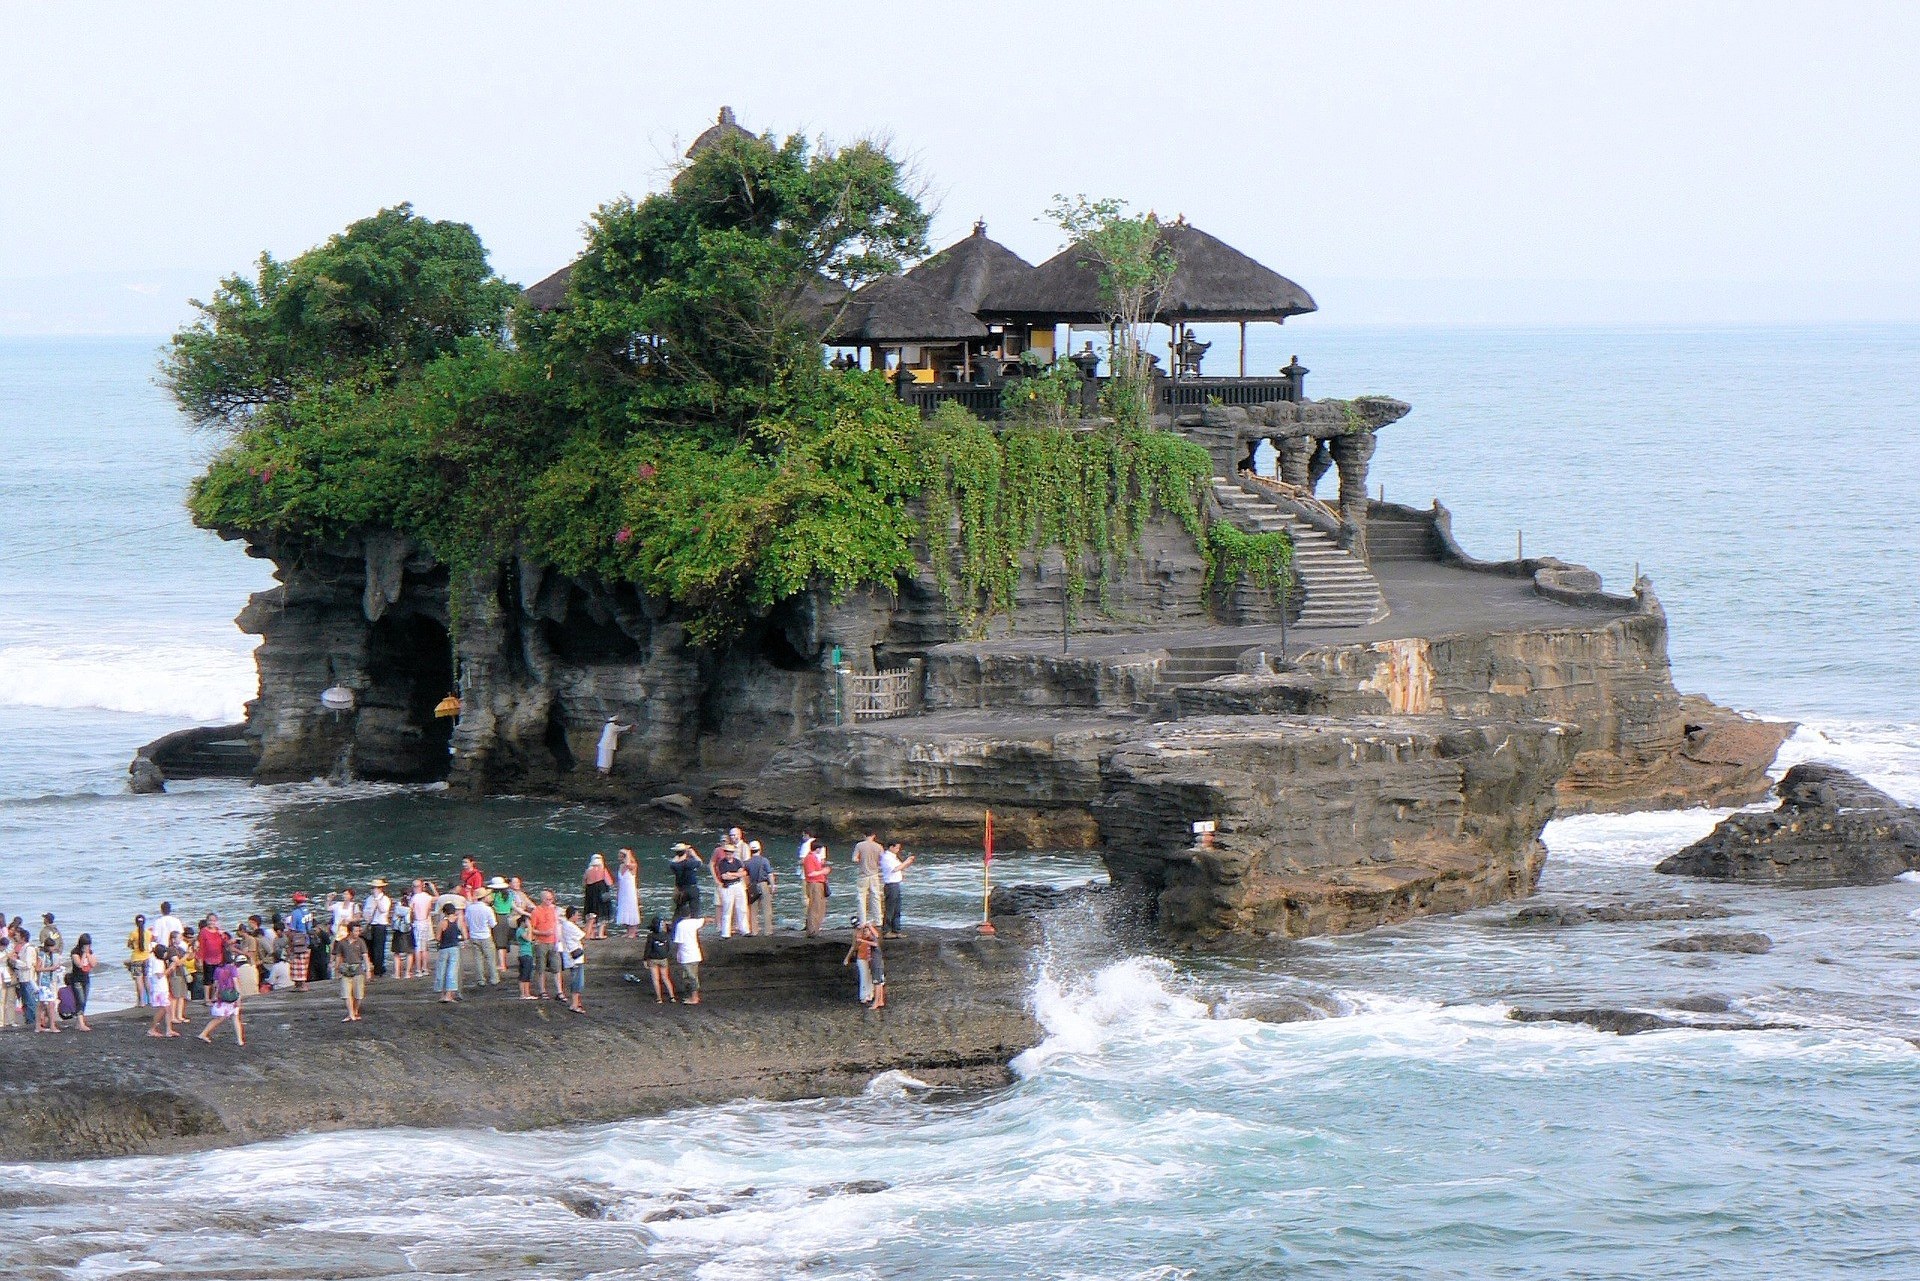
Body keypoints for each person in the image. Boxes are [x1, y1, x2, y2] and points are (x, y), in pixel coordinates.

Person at [199, 957, 245, 1045]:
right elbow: (236, 983)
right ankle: (239, 1040)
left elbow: (216, 984)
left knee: (220, 1018)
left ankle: (204, 1033)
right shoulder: (233, 969)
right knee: (234, 1018)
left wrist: (214, 996)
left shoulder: (218, 970)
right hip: (231, 995)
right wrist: (239, 997)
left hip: (222, 996)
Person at [844, 921, 886, 1009]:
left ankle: (876, 1001)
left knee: (877, 982)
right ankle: (874, 999)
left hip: (874, 962)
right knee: (874, 980)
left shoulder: (872, 938)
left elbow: (875, 940)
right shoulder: (861, 936)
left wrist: (868, 928)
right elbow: (854, 946)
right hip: (869, 961)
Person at [334, 919, 370, 1021]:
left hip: (358, 970)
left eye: (358, 931)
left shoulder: (361, 942)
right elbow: (338, 957)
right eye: (355, 931)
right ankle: (351, 1014)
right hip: (346, 970)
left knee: (359, 996)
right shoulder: (342, 943)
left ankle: (355, 1011)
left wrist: (368, 970)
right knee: (346, 994)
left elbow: (365, 956)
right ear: (350, 931)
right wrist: (336, 969)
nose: (357, 933)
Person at [527, 890, 561, 998]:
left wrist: (558, 939)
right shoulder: (536, 911)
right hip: (541, 942)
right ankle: (542, 990)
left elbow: (557, 925)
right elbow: (531, 929)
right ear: (542, 899)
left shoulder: (554, 910)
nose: (550, 901)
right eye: (548, 899)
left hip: (553, 941)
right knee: (540, 967)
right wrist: (543, 933)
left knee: (556, 967)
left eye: (551, 899)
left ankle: (559, 991)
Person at [880, 843, 916, 938]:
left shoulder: (893, 857)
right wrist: (906, 861)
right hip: (891, 884)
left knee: (897, 908)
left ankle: (896, 929)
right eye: (897, 848)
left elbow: (901, 867)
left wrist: (908, 862)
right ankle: (887, 931)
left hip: (896, 883)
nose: (898, 849)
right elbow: (895, 869)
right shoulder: (887, 857)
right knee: (890, 909)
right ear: (891, 847)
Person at [714, 843, 749, 938]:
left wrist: (732, 874)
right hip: (728, 887)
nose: (728, 855)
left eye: (730, 853)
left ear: (733, 853)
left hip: (738, 885)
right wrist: (736, 874)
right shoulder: (722, 863)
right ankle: (725, 933)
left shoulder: (737, 861)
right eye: (727, 853)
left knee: (742, 908)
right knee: (727, 910)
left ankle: (744, 930)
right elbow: (724, 877)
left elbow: (744, 873)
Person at [462, 893, 498, 987]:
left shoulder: (470, 908)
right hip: (485, 935)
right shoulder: (488, 909)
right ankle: (494, 978)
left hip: (474, 935)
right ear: (484, 897)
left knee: (478, 959)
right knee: (490, 958)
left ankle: (480, 979)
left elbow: (466, 922)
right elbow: (493, 924)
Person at [61, 934, 94, 1032]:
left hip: (86, 979)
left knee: (84, 1001)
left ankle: (80, 1022)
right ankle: (81, 1024)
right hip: (77, 979)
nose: (87, 947)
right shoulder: (75, 952)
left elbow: (93, 963)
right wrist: (83, 954)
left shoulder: (90, 952)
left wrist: (88, 954)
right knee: (81, 1000)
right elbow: (79, 964)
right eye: (86, 945)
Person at [851, 832, 886, 926]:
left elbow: (854, 859)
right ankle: (878, 920)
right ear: (874, 836)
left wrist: (861, 860)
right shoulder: (878, 846)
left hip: (863, 875)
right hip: (874, 874)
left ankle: (862, 921)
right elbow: (883, 860)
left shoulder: (859, 845)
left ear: (864, 835)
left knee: (861, 898)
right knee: (875, 897)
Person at [558, 906, 588, 1014]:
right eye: (577, 914)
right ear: (572, 915)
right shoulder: (570, 926)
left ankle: (577, 1003)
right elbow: (586, 936)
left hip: (571, 957)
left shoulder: (566, 925)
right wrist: (590, 921)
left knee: (577, 980)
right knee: (577, 981)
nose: (578, 916)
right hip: (575, 958)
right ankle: (574, 1004)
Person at [434, 904, 465, 1002]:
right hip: (454, 948)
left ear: (444, 912)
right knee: (452, 971)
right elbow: (465, 935)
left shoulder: (442, 922)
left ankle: (442, 994)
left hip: (443, 948)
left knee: (441, 971)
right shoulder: (458, 921)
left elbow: (438, 938)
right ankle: (449, 995)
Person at [672, 913, 705, 1005]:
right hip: (695, 954)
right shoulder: (694, 922)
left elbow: (679, 942)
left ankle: (695, 998)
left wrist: (678, 954)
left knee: (691, 977)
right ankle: (693, 996)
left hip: (686, 955)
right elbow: (705, 920)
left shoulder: (680, 925)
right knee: (691, 976)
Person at [745, 840, 776, 936]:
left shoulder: (747, 862)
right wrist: (772, 885)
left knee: (753, 910)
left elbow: (746, 876)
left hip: (752, 885)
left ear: (750, 850)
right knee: (767, 909)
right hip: (763, 885)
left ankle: (754, 931)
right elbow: (770, 874)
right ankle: (768, 931)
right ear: (760, 849)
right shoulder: (764, 860)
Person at [642, 917, 676, 1004]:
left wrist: (645, 959)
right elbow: (669, 947)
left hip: (653, 959)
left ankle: (659, 998)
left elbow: (648, 949)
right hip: (663, 959)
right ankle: (672, 997)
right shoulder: (666, 935)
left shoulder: (651, 936)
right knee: (666, 978)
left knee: (656, 979)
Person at [147, 943, 177, 1037]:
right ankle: (152, 1029)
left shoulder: (156, 961)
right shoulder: (158, 962)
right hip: (159, 989)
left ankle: (169, 1030)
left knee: (167, 1009)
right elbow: (160, 975)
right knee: (164, 1009)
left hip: (161, 988)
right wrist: (170, 968)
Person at [802, 840, 832, 937]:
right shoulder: (810, 858)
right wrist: (823, 871)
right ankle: (812, 930)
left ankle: (815, 929)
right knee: (815, 907)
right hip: (814, 884)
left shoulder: (812, 857)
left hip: (818, 883)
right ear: (817, 849)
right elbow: (810, 873)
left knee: (819, 907)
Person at [125, 913, 154, 1008]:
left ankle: (141, 1001)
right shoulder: (148, 933)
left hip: (136, 958)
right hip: (146, 957)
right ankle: (151, 999)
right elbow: (151, 941)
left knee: (138, 980)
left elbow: (129, 945)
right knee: (146, 979)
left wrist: (134, 946)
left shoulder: (133, 933)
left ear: (136, 923)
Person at [487, 877, 516, 972]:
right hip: (506, 918)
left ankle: (501, 965)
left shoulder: (494, 895)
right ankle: (503, 963)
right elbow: (513, 907)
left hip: (497, 917)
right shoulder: (509, 894)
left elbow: (488, 903)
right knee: (504, 942)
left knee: (499, 943)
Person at [365, 878, 392, 978]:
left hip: (381, 924)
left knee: (379, 948)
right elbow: (366, 911)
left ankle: (379, 968)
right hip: (371, 924)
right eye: (373, 888)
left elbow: (383, 910)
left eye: (375, 888)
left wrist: (377, 900)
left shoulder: (385, 899)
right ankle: (375, 964)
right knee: (370, 946)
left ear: (380, 889)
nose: (373, 889)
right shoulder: (369, 899)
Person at [286, 893, 313, 991]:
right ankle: (302, 984)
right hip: (307, 939)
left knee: (297, 963)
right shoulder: (308, 911)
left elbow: (293, 929)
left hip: (298, 940)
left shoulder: (295, 913)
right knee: (304, 963)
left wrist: (290, 944)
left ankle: (300, 985)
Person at [583, 855, 614, 937]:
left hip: (590, 893)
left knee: (591, 914)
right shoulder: (603, 870)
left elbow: (584, 882)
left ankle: (590, 934)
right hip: (602, 892)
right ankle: (600, 934)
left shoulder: (588, 871)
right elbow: (609, 882)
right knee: (603, 913)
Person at [669, 844, 702, 919]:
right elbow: (700, 862)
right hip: (692, 888)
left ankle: (675, 926)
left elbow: (673, 861)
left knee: (679, 909)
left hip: (681, 890)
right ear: (685, 853)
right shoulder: (690, 863)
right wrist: (694, 854)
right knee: (694, 910)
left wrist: (679, 854)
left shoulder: (674, 865)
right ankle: (694, 926)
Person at [614, 849, 641, 938]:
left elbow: (628, 864)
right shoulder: (621, 866)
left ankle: (633, 932)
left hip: (630, 891)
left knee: (631, 909)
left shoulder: (633, 865)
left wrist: (628, 853)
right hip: (623, 891)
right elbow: (619, 881)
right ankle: (628, 931)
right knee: (624, 909)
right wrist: (617, 892)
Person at [408, 879, 433, 976]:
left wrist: (411, 921)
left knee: (418, 948)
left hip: (418, 922)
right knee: (425, 947)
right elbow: (430, 908)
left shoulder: (414, 898)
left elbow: (411, 911)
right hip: (426, 922)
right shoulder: (427, 897)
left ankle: (418, 969)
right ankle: (425, 968)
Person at [512, 912, 536, 999]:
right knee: (524, 974)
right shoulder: (520, 930)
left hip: (528, 954)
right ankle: (523, 994)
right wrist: (530, 928)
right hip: (524, 954)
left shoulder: (523, 931)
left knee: (527, 974)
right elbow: (528, 939)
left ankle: (527, 993)